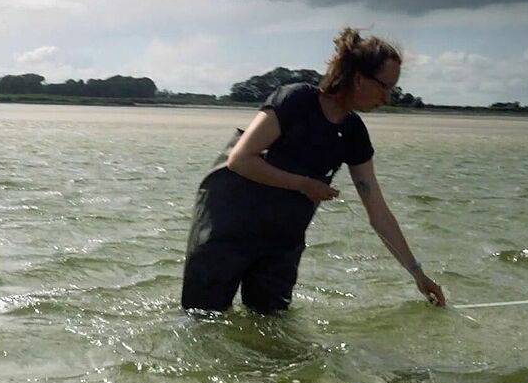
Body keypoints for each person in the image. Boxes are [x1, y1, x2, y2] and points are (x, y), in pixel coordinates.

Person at [182, 28, 446, 313]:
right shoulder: (295, 100)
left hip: (282, 239)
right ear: (359, 79)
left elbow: (378, 212)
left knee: (271, 325)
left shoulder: (354, 132)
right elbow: (241, 159)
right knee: (203, 319)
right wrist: (304, 184)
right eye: (385, 86)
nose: (388, 97)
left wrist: (418, 275)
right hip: (226, 227)